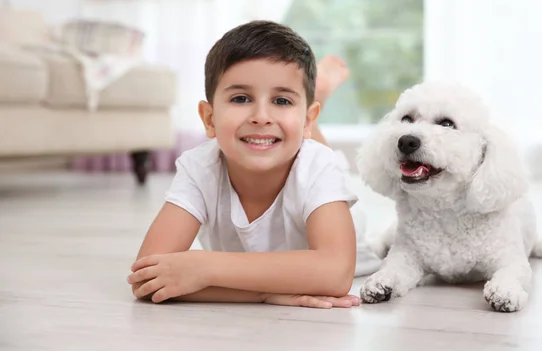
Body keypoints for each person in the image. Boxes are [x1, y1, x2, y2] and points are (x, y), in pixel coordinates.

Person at [127, 20, 382, 309]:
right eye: (241, 98)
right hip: (295, 150)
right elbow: (146, 280)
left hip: (330, 198)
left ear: (307, 118)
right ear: (209, 119)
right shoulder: (199, 167)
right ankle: (305, 101)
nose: (261, 116)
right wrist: (261, 294)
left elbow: (335, 274)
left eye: (282, 100)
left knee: (318, 156)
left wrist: (205, 266)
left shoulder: (319, 168)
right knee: (284, 138)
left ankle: (314, 104)